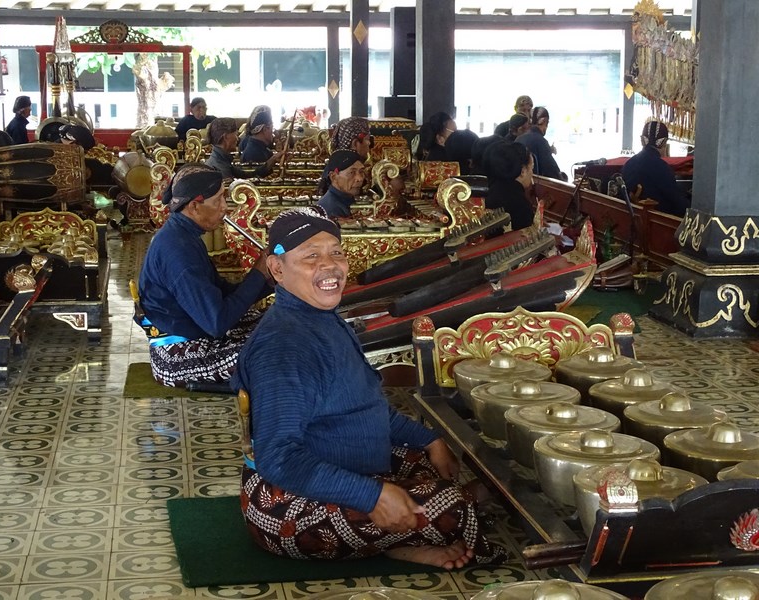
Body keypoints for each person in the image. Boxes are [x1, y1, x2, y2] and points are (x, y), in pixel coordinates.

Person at [232, 206, 507, 568]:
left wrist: (430, 440)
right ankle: (406, 534)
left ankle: (395, 540)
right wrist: (371, 495)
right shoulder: (284, 346)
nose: (329, 265)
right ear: (277, 269)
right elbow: (278, 457)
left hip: (342, 462)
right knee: (452, 507)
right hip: (284, 504)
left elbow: (367, 406)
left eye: (336, 253)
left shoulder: (323, 319)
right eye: (311, 256)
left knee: (445, 468)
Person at [138, 163, 273, 387]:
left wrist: (269, 280)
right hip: (175, 356)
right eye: (218, 199)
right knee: (278, 344)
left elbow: (220, 293)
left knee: (275, 320)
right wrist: (259, 272)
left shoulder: (184, 234)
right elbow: (217, 322)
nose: (224, 207)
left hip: (196, 332)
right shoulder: (178, 250)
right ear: (195, 207)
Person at [622, 120, 688, 217]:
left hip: (633, 217)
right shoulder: (662, 168)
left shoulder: (628, 164)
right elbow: (677, 202)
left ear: (642, 141)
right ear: (664, 143)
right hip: (659, 223)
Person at [206, 117, 282, 180]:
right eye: (235, 134)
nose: (237, 139)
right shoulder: (219, 167)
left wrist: (273, 159)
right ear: (226, 137)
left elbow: (248, 175)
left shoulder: (221, 159)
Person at [484, 141, 535, 230]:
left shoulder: (490, 189)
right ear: (523, 171)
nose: (532, 173)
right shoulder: (520, 204)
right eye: (531, 168)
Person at [516, 106, 565, 181]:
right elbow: (552, 171)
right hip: (532, 186)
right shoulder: (541, 141)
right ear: (544, 121)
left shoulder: (519, 138)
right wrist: (563, 179)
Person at [316, 150, 366, 218]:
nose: (360, 178)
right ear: (333, 177)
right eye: (352, 173)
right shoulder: (332, 210)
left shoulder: (345, 200)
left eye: (361, 172)